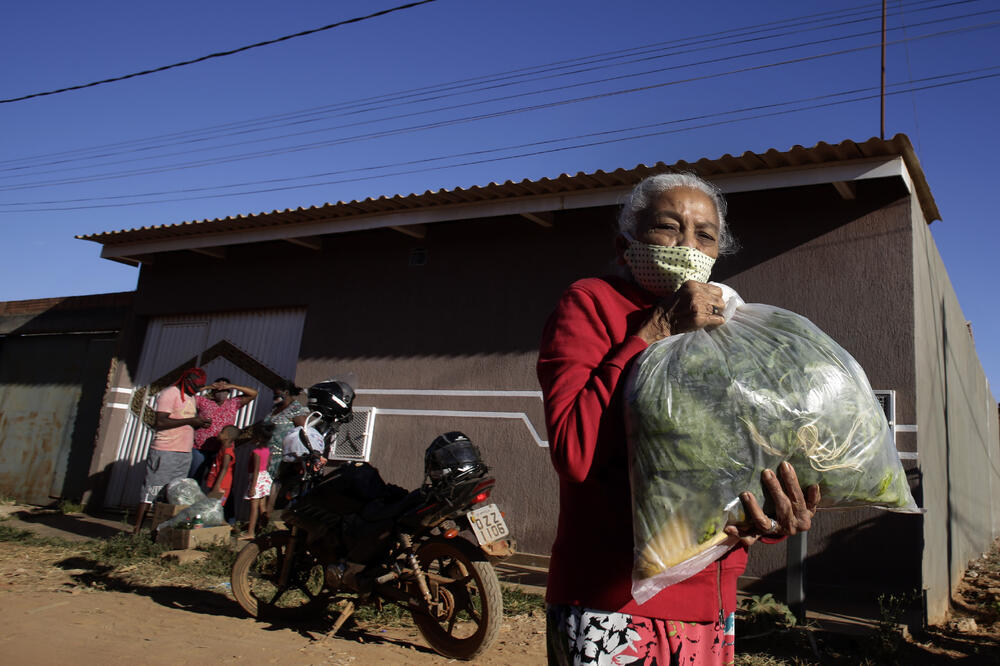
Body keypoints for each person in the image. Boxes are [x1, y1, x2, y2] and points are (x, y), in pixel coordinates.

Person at [536, 173, 821, 665]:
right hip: (611, 603)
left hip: (710, 604)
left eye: (705, 234)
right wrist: (657, 329)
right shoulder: (591, 303)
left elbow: (744, 463)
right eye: (668, 227)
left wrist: (773, 516)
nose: (689, 245)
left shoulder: (731, 329)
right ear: (626, 244)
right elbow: (574, 452)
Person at [132, 367, 211, 534]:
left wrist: (198, 423)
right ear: (187, 380)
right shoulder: (170, 393)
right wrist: (191, 420)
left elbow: (184, 421)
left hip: (184, 452)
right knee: (152, 491)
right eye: (195, 386)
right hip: (166, 450)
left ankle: (160, 531)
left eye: (199, 388)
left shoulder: (191, 398)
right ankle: (136, 530)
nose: (196, 390)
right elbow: (160, 422)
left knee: (174, 495)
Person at [191, 377, 258, 482]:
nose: (221, 392)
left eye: (224, 390)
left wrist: (233, 386)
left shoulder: (233, 403)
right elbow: (189, 394)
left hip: (221, 449)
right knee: (194, 478)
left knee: (219, 480)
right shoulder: (203, 401)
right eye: (218, 389)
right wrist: (208, 386)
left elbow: (253, 393)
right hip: (200, 448)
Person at [262, 380, 308, 518]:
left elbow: (303, 431)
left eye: (277, 393)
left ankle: (268, 516)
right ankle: (260, 518)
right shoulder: (275, 409)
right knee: (262, 486)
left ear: (286, 393)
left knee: (275, 487)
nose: (274, 396)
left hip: (281, 458)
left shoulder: (295, 409)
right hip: (267, 455)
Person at [244, 430, 273, 539]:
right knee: (262, 506)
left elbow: (256, 469)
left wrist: (252, 487)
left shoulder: (256, 452)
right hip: (265, 478)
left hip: (257, 480)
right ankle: (264, 529)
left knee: (254, 507)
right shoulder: (268, 451)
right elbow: (268, 464)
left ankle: (250, 532)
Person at [203, 425, 240, 505]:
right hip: (214, 481)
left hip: (221, 485)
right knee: (209, 505)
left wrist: (217, 485)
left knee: (215, 507)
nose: (219, 433)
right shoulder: (222, 448)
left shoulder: (227, 452)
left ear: (227, 437)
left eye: (222, 432)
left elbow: (224, 468)